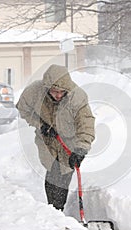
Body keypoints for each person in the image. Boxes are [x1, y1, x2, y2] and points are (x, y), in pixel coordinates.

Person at [16, 64, 95, 211]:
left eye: (61, 92)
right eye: (54, 91)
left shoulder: (77, 97)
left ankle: (57, 209)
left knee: (65, 173)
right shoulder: (34, 92)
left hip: (69, 142)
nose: (58, 95)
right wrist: (41, 125)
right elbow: (23, 109)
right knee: (53, 173)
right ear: (46, 88)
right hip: (48, 141)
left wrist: (81, 149)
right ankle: (54, 209)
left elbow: (86, 124)